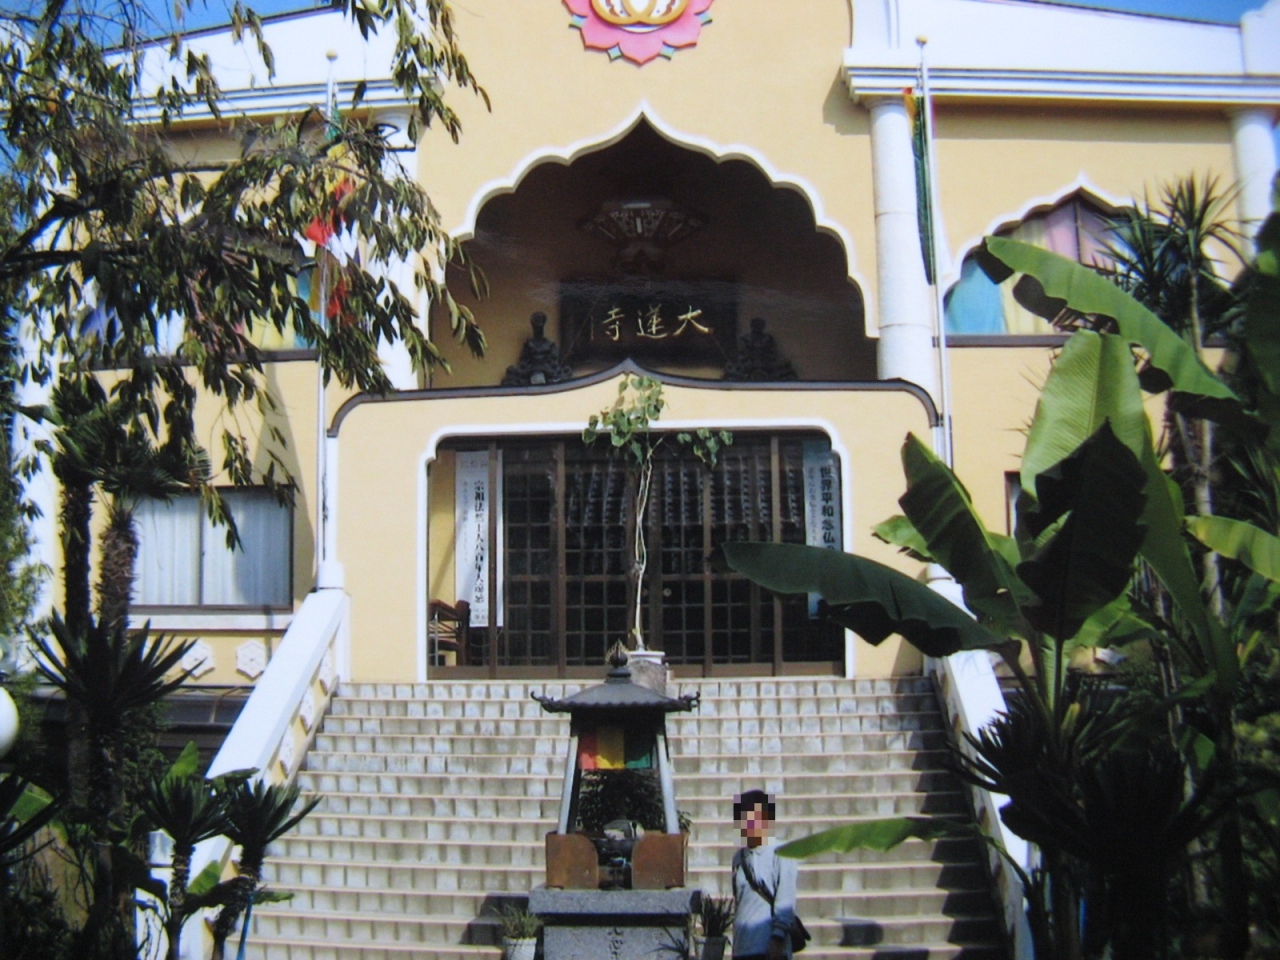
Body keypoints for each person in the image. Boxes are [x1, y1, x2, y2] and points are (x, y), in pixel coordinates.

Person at [731, 789, 798, 960]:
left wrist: (777, 939)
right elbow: (739, 902)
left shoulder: (782, 853)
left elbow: (786, 901)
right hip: (742, 948)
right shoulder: (738, 858)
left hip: (769, 949)